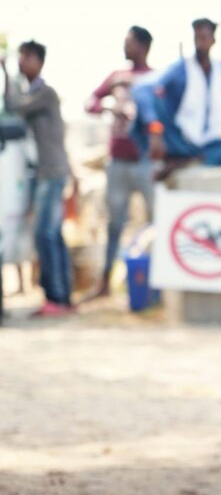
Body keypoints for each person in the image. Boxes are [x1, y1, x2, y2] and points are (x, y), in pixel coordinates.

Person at [132, 15, 221, 172]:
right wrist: (154, 129)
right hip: (180, 141)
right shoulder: (181, 68)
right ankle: (191, 158)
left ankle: (193, 160)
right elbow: (141, 90)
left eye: (204, 37)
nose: (200, 42)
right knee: (152, 100)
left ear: (213, 40)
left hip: (209, 144)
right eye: (197, 37)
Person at [1, 40, 74, 317]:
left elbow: (14, 105)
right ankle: (61, 297)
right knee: (52, 234)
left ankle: (56, 297)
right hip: (47, 171)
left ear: (39, 61)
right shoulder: (35, 92)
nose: (22, 62)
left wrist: (6, 74)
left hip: (51, 172)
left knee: (45, 234)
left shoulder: (45, 94)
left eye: (26, 57)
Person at [83, 26, 155, 299]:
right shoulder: (117, 77)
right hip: (118, 161)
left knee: (156, 222)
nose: (125, 47)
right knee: (114, 225)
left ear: (144, 45)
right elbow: (90, 102)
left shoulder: (155, 78)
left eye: (130, 42)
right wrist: (108, 107)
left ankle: (154, 284)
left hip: (146, 161)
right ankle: (105, 284)